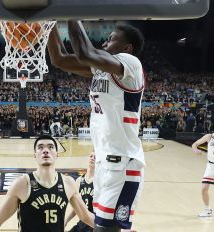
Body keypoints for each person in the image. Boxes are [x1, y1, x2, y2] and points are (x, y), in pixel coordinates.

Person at [48, 21, 145, 232]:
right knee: (99, 227)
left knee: (105, 230)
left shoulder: (131, 63)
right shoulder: (101, 69)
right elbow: (59, 59)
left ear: (127, 47)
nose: (105, 42)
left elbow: (85, 52)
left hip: (123, 164)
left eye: (111, 39)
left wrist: (68, 10)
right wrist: (49, 22)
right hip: (105, 162)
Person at [0, 135, 94, 232]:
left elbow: (86, 217)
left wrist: (110, 225)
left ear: (57, 154)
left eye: (50, 147)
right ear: (35, 155)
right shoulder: (22, 184)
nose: (45, 150)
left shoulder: (68, 183)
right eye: (40, 147)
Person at [65, 152, 95, 232]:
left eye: (95, 157)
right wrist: (65, 222)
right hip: (82, 224)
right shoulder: (79, 180)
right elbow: (75, 208)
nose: (92, 158)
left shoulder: (99, 181)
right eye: (91, 156)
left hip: (93, 225)